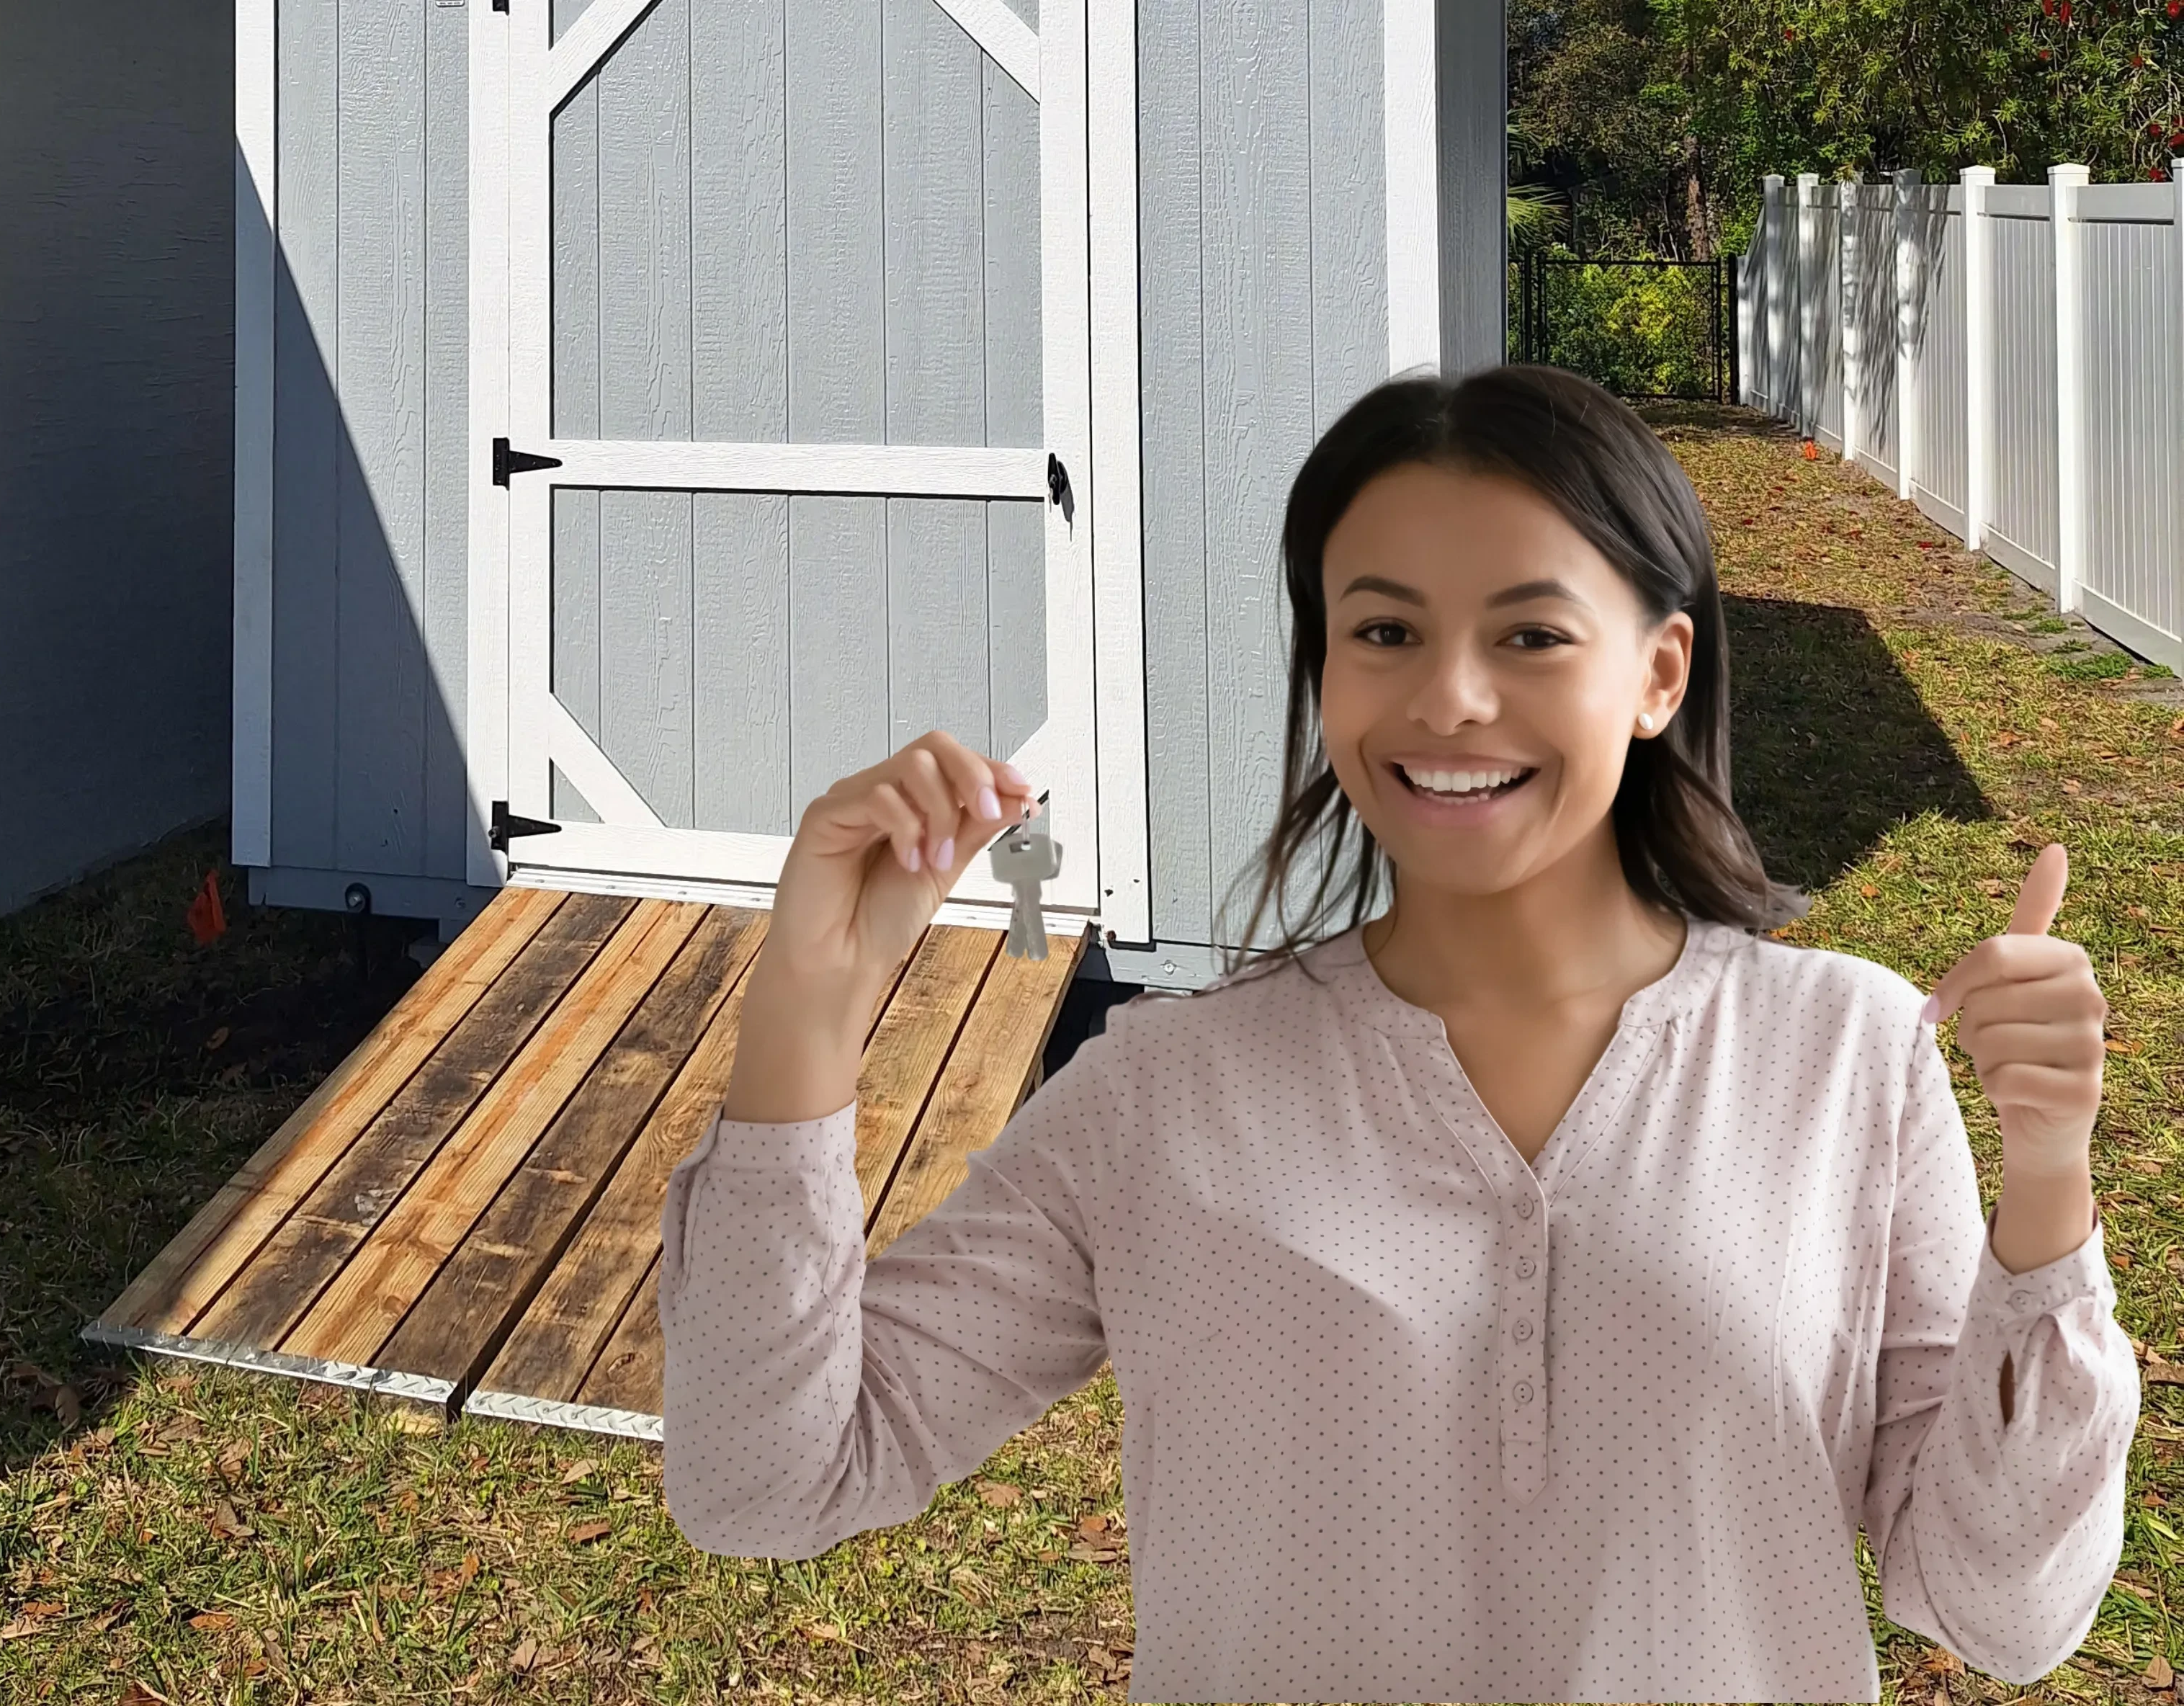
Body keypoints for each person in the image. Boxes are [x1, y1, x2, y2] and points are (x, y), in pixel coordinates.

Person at [657, 366, 2139, 1705]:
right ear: (1326, 670)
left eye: (1532, 631)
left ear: (1659, 674)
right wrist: (805, 1010)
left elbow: (2003, 1611)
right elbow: (767, 1482)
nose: (1450, 697)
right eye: (1384, 629)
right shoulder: (1162, 1094)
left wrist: (2049, 1186)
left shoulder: (1849, 1059)